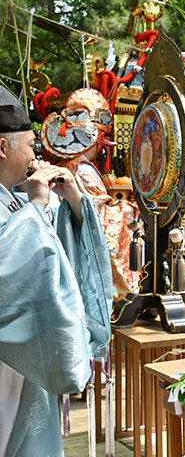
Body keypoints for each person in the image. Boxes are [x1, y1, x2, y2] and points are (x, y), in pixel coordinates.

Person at [0, 85, 113, 457]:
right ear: (3, 144)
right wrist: (36, 208)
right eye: (30, 144)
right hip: (10, 365)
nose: (36, 155)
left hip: (28, 370)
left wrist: (72, 206)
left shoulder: (15, 196)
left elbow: (55, 260)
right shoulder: (21, 200)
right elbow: (11, 271)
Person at [40, 88, 139, 303]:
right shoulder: (83, 169)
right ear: (95, 139)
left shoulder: (65, 164)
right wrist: (131, 210)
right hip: (81, 244)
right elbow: (100, 214)